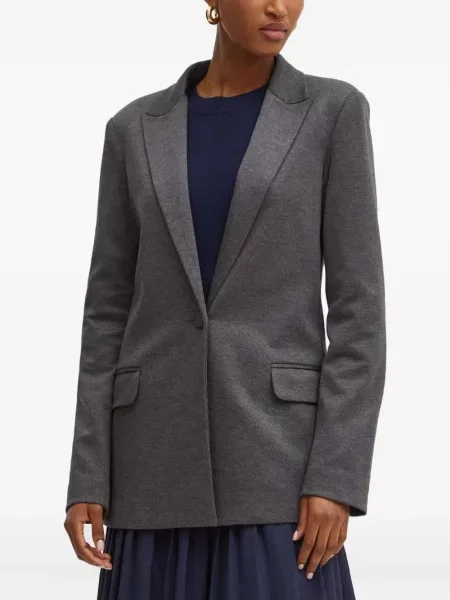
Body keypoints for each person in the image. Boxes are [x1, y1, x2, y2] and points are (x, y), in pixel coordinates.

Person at [64, 1, 386, 598]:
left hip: (280, 467)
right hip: (151, 467)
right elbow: (106, 311)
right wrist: (89, 474)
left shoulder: (332, 112)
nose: (279, 7)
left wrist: (336, 477)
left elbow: (359, 312)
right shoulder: (133, 129)